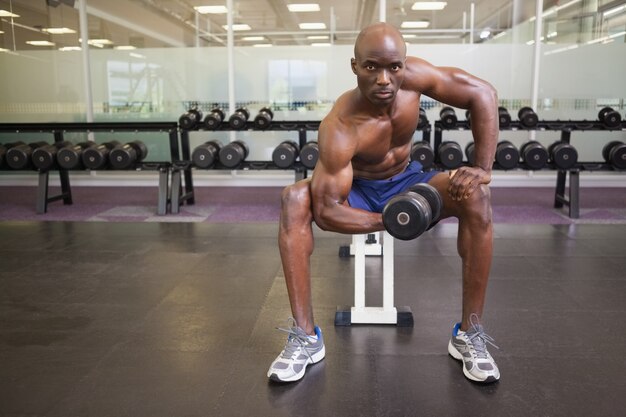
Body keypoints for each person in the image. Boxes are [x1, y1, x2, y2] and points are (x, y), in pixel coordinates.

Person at [267, 22, 500, 384]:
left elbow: (482, 94)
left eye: (394, 67)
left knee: (477, 195)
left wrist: (483, 168)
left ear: (405, 65)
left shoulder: (416, 77)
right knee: (294, 198)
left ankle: (469, 333)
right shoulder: (341, 125)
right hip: (358, 187)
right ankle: (305, 336)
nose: (384, 79)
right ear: (355, 66)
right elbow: (328, 213)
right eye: (372, 66)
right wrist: (393, 220)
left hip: (408, 180)